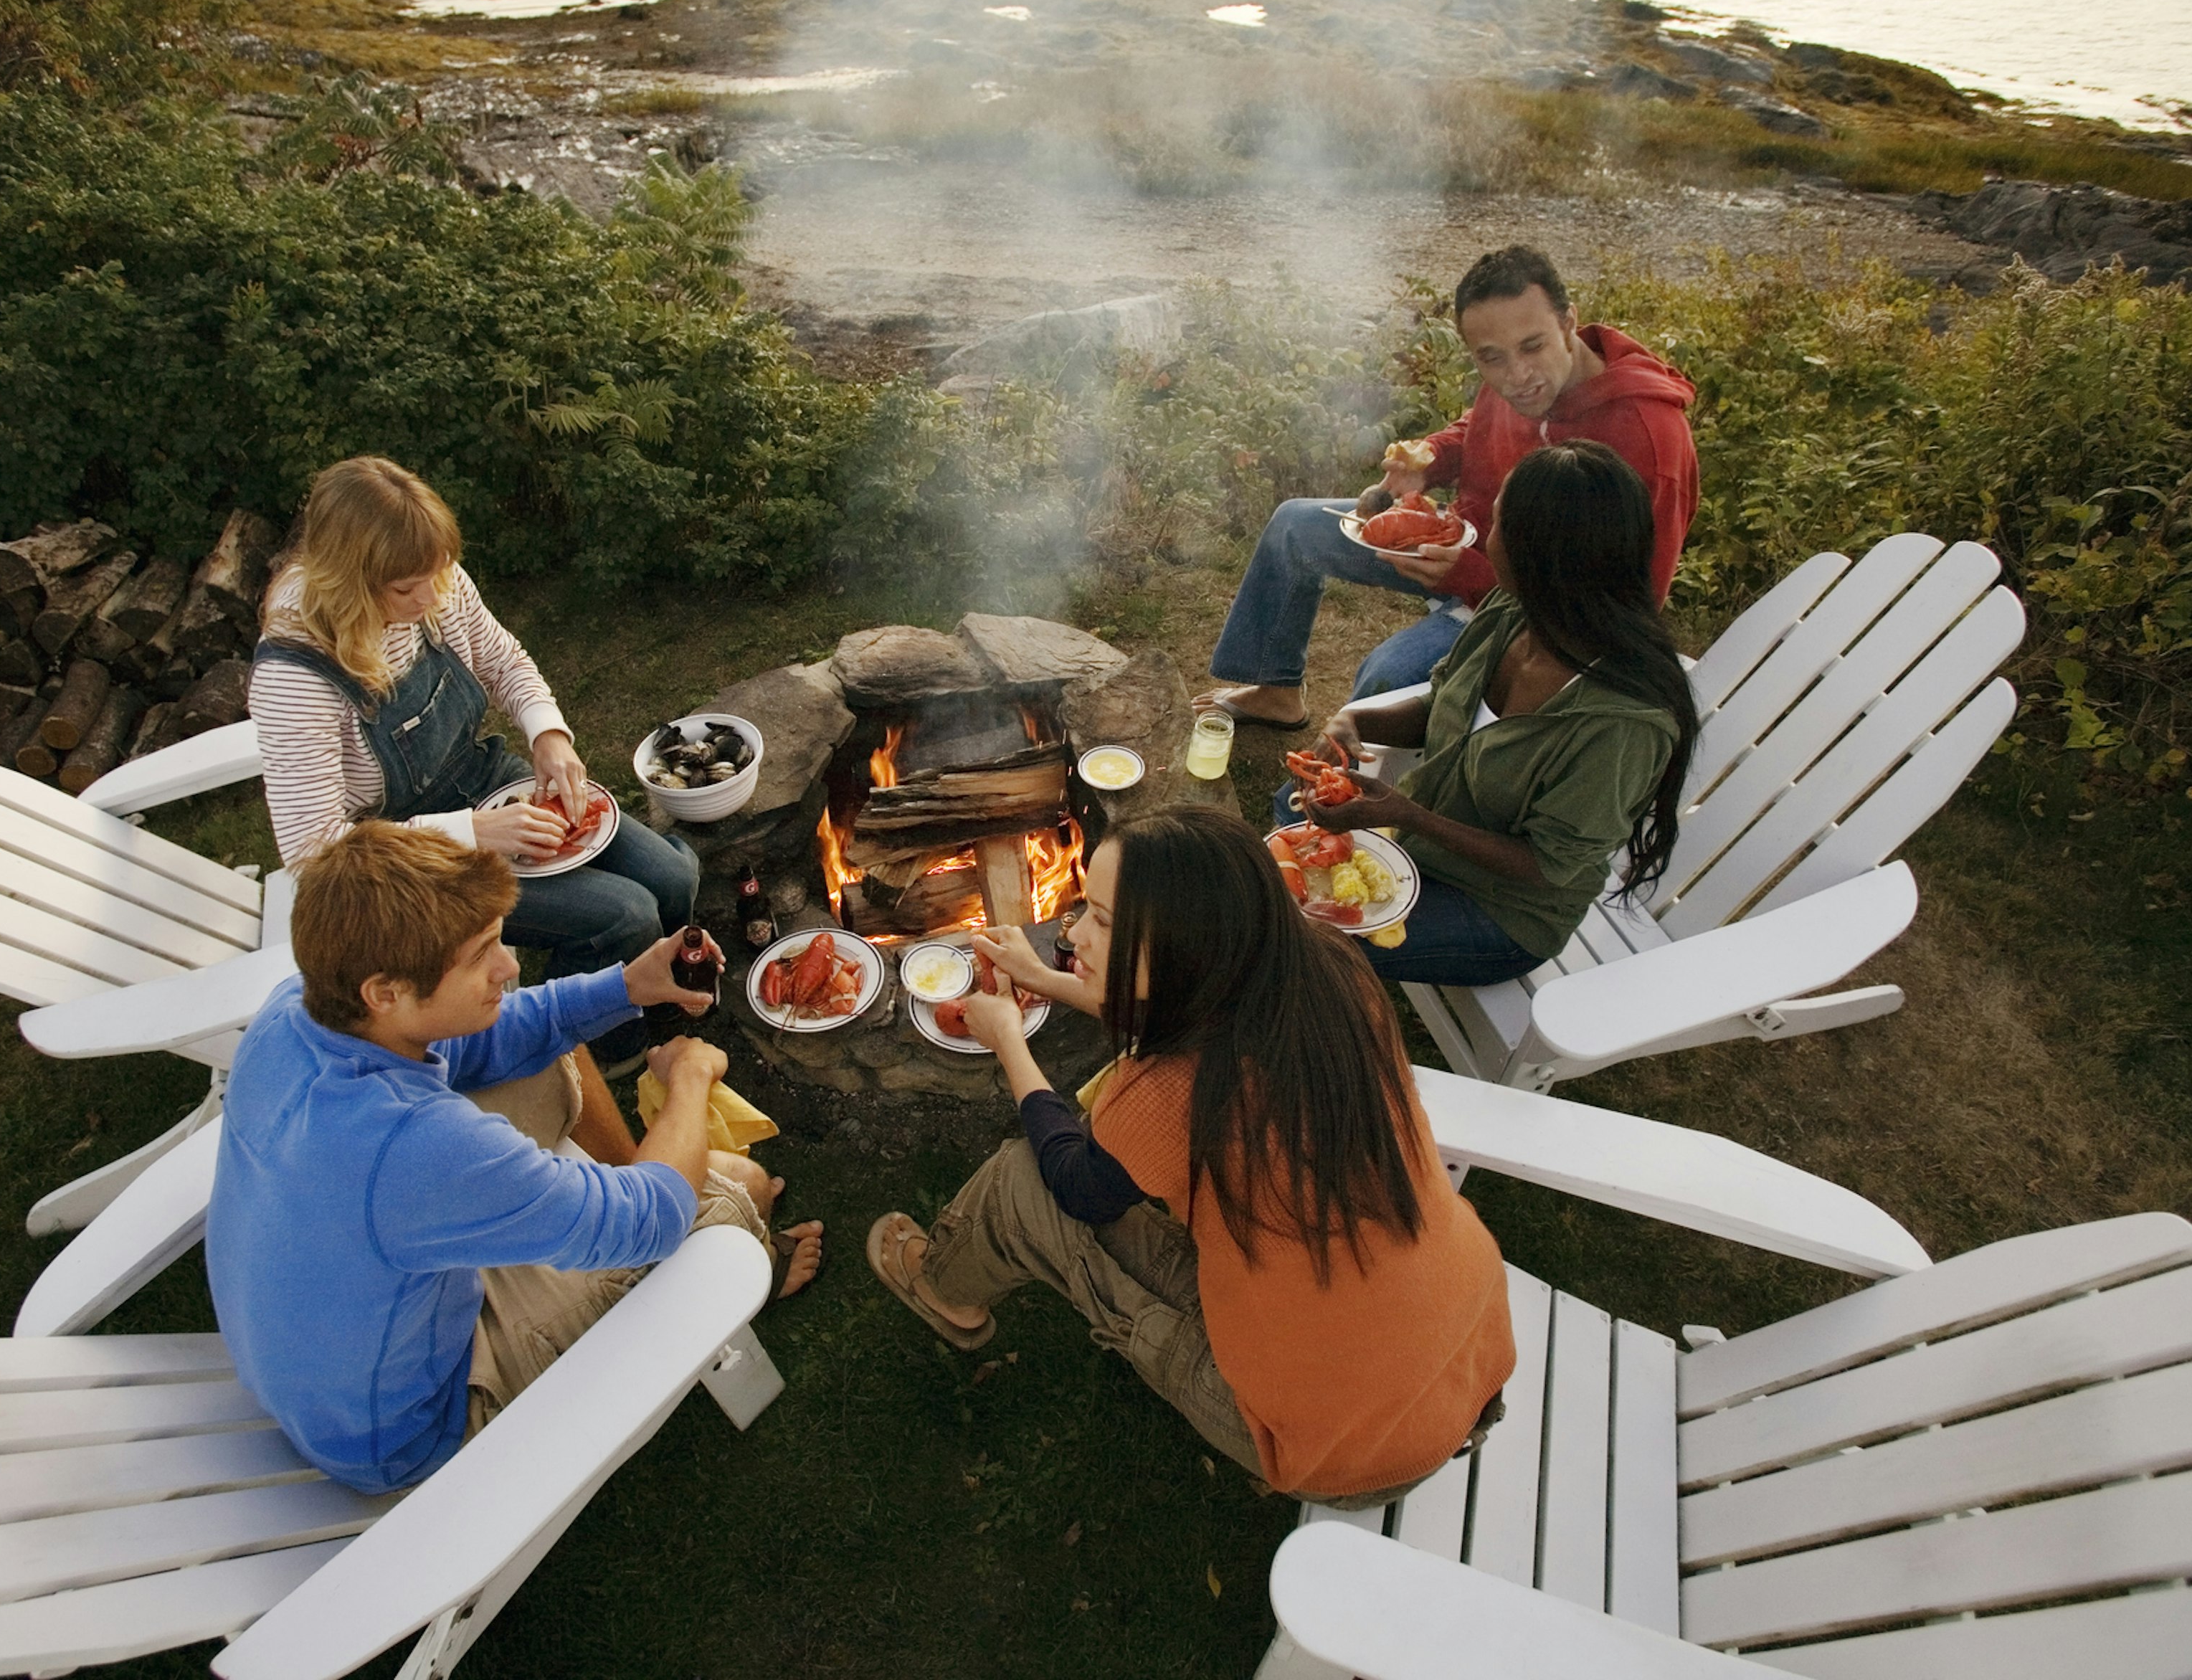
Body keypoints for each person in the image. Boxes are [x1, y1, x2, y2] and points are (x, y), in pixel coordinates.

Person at [867, 806, 1517, 1508]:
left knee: (1019, 1182)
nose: (1074, 934)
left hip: (1348, 1453)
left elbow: (1078, 1186)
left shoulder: (1168, 1091)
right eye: (1086, 909)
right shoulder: (1334, 972)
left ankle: (942, 1290)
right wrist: (1045, 979)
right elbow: (1190, 1002)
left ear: (1182, 947)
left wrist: (1010, 1043)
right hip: (1467, 1351)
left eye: (1103, 922)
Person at [207, 822, 821, 1492]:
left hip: (340, 1344)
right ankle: (755, 1260)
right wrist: (691, 1077)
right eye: (481, 957)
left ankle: (614, 1190)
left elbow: (495, 1037)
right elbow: (656, 1217)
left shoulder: (296, 1013)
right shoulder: (415, 1145)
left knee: (547, 1048)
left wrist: (626, 986)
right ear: (385, 991)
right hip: (421, 1420)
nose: (510, 967)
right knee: (740, 1189)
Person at [250, 455, 700, 1074]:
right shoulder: (294, 675)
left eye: (436, 575)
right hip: (398, 868)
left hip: (482, 780)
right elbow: (314, 853)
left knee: (672, 877)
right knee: (624, 915)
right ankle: (605, 1053)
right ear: (348, 581)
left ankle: (666, 985)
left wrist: (548, 735)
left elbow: (504, 661)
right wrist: (471, 833)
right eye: (406, 589)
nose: (430, 597)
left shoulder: (432, 579)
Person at [1193, 245, 1698, 724]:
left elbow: (1630, 605)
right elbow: (1477, 423)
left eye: (1533, 346)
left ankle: (1368, 785)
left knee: (1384, 678)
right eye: (1491, 358)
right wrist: (1431, 458)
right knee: (1295, 527)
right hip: (1458, 541)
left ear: (1568, 324)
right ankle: (1275, 692)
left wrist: (1473, 578)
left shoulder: (1649, 441)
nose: (1517, 375)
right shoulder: (1522, 379)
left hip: (1530, 612)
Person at [1306, 440, 1699, 988]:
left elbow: (1547, 866)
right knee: (1269, 885)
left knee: (1293, 940)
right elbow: (1444, 703)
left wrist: (1411, 816)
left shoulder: (1622, 723)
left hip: (1501, 912)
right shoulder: (1511, 611)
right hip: (1418, 850)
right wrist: (1357, 723)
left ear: (1537, 554)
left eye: (1496, 525)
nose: (1484, 539)